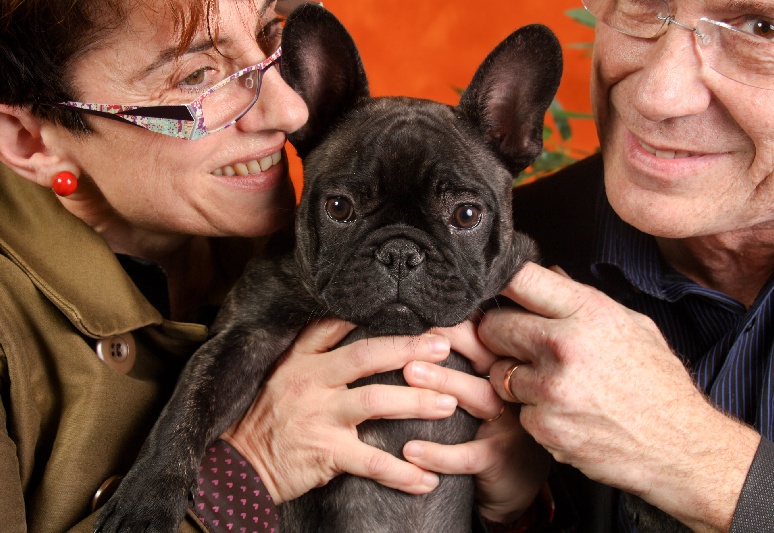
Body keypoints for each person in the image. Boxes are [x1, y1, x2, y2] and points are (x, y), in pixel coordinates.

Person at [0, 1, 548, 531]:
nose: (288, 108)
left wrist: (521, 500)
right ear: (32, 139)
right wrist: (246, 475)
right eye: (196, 76)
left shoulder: (275, 234)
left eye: (268, 40)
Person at [473, 0, 774, 530]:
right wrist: (512, 516)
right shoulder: (469, 272)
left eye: (763, 29)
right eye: (644, 4)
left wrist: (701, 460)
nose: (655, 94)